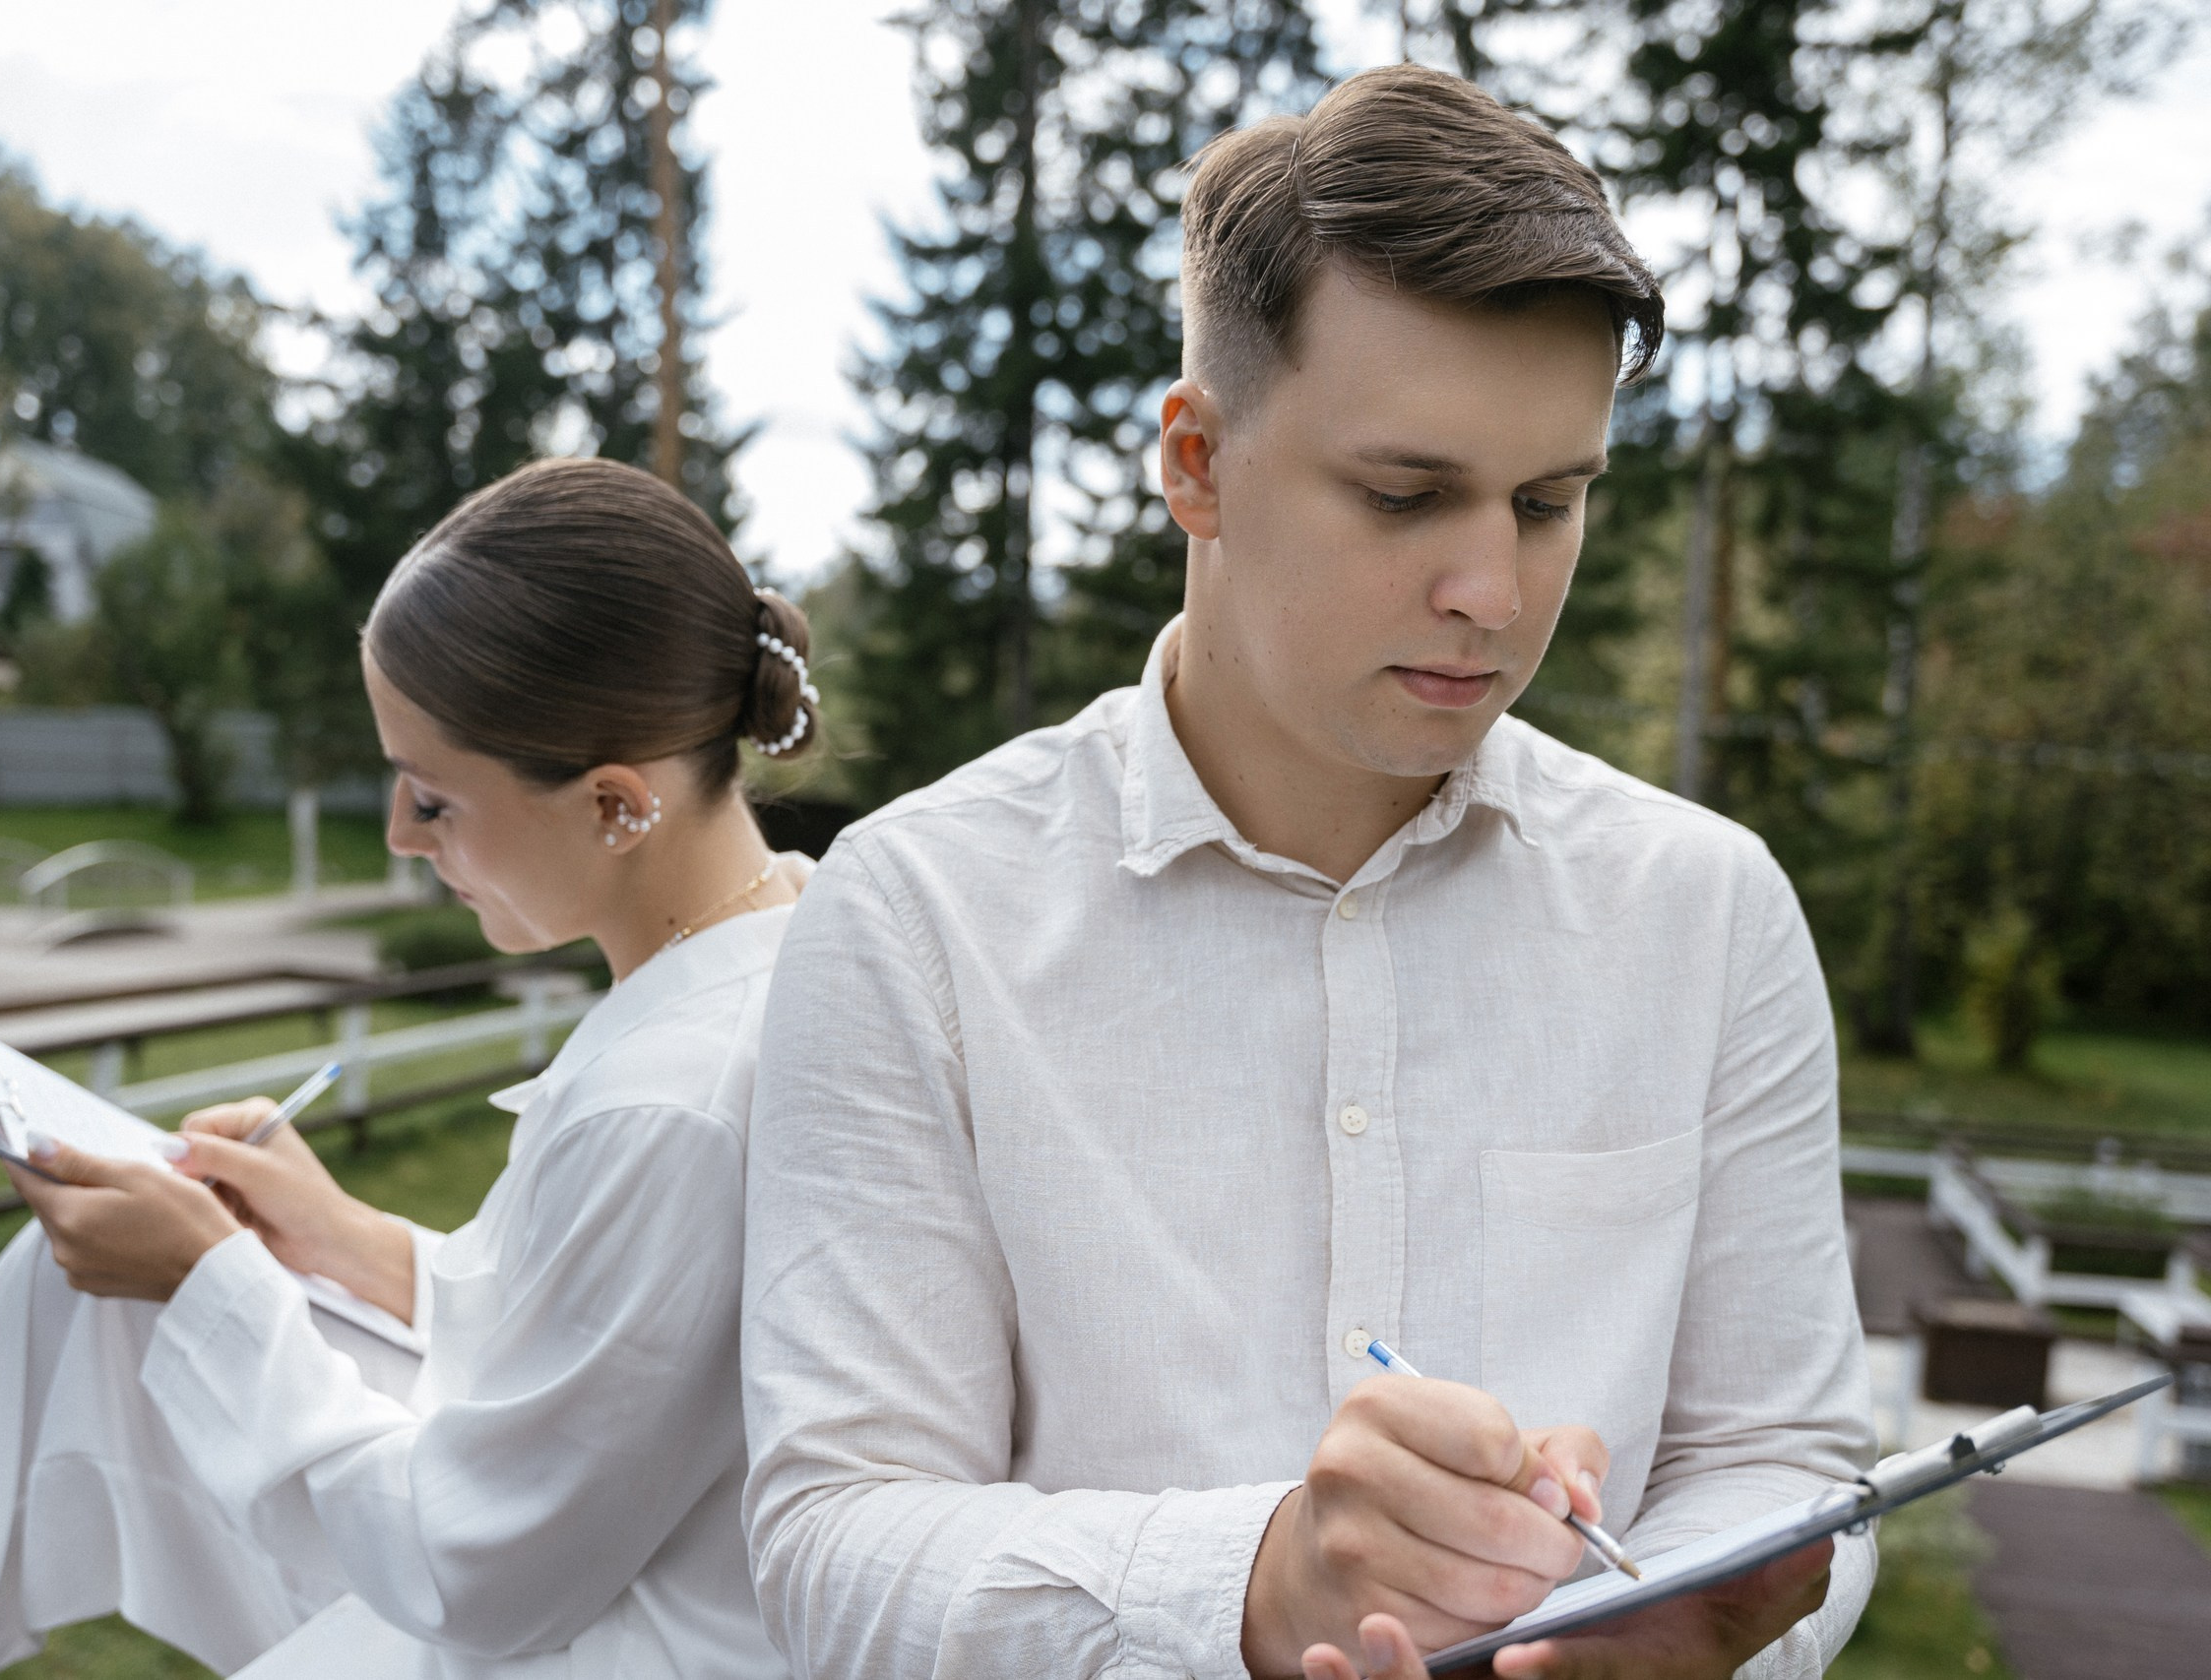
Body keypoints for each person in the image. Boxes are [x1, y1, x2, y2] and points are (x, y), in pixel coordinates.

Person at [740, 64, 1875, 1680]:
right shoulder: (918, 915)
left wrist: (1685, 1639)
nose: (1492, 589)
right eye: (1406, 496)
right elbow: (832, 1545)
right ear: (1195, 462)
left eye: (1549, 504)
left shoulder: (1706, 909)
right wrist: (1251, 1590)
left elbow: (1789, 1454)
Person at [0, 458, 816, 1680]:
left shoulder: (676, 1101)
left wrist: (214, 1277)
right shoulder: (757, 962)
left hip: (559, 1633)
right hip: (559, 1551)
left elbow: (468, 1574)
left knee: (150, 1277)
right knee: (80, 1279)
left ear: (612, 806)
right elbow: (601, 1342)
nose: (396, 833)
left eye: (432, 800)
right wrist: (338, 1234)